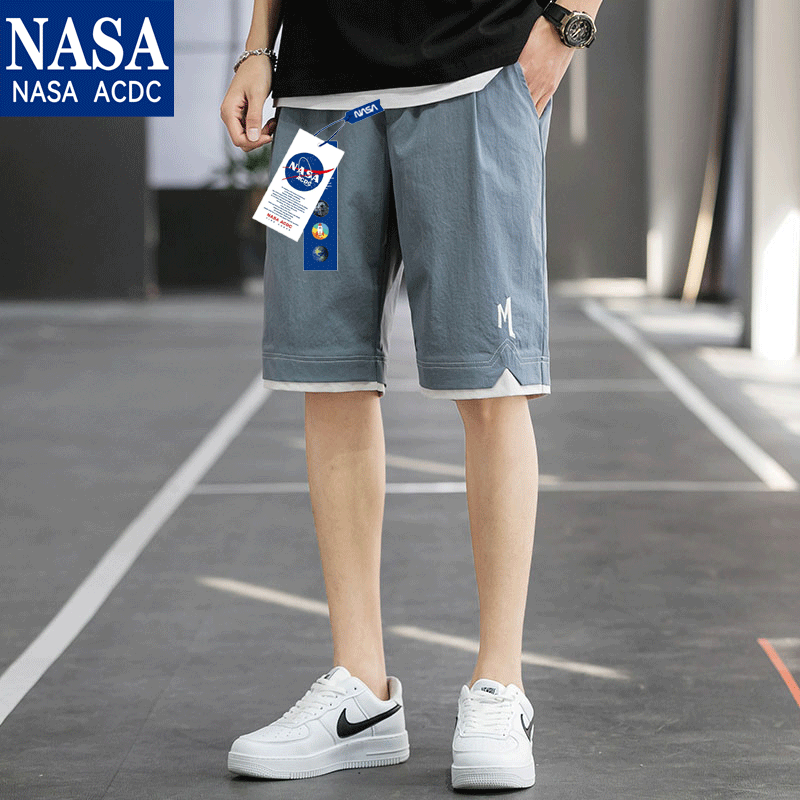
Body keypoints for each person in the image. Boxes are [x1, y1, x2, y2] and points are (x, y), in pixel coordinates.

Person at [220, 0, 602, 790]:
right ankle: (360, 691)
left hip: (473, 71)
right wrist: (258, 49)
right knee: (325, 375)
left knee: (493, 383)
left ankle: (500, 685)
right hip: (321, 102)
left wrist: (566, 27)